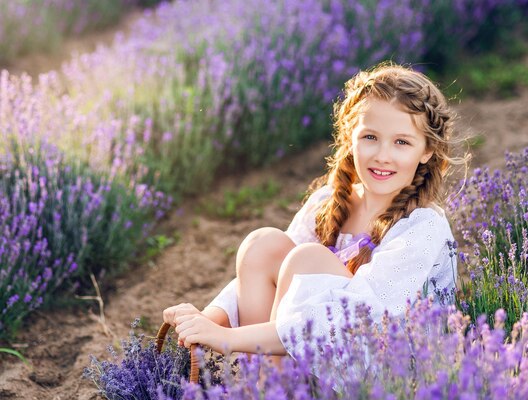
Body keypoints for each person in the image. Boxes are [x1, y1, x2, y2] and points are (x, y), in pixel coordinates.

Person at [164, 62, 469, 362]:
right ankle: (268, 385)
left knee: (306, 259)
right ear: (351, 137)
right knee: (264, 245)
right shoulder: (329, 201)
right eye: (370, 137)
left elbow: (362, 315)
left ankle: (276, 396)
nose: (382, 155)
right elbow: (257, 279)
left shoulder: (423, 225)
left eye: (401, 142)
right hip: (310, 349)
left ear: (427, 150)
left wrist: (229, 340)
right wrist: (206, 322)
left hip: (384, 364)